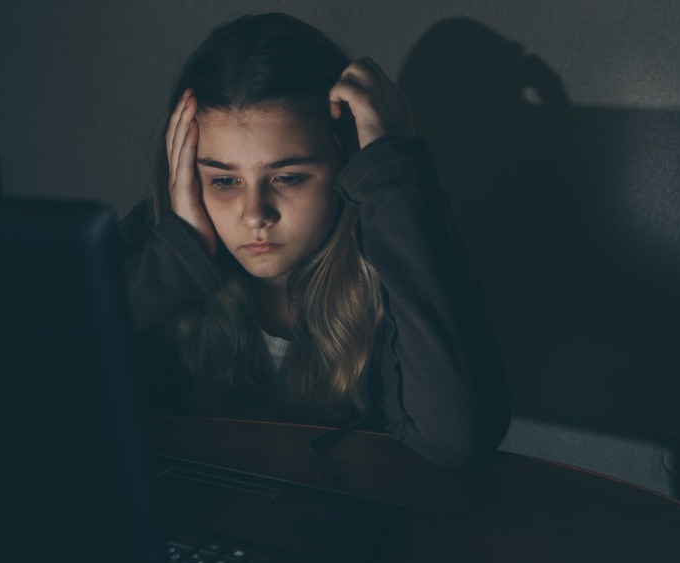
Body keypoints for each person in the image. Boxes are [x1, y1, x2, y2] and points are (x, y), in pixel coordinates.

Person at [120, 12, 509, 466]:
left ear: (346, 163)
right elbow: (32, 374)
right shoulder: (153, 252)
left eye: (287, 177)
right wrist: (174, 258)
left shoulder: (393, 255)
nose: (255, 215)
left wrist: (393, 176)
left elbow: (458, 438)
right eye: (224, 181)